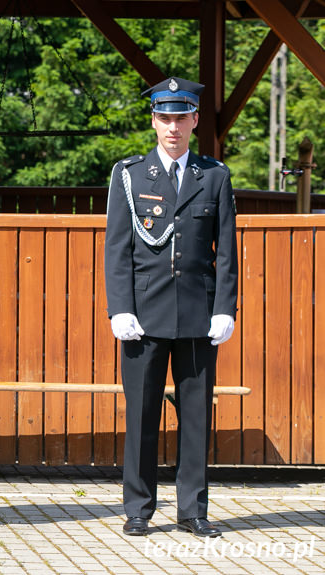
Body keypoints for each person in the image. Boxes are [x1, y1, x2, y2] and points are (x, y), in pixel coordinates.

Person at [104, 77, 238, 538]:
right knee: (142, 415)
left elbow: (226, 253)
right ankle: (138, 509)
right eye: (165, 117)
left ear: (195, 120)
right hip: (144, 316)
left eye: (181, 117)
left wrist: (225, 308)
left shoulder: (214, 176)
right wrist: (120, 308)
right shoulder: (130, 175)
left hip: (198, 316)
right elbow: (118, 249)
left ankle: (192, 510)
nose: (173, 127)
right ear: (154, 121)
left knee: (196, 416)